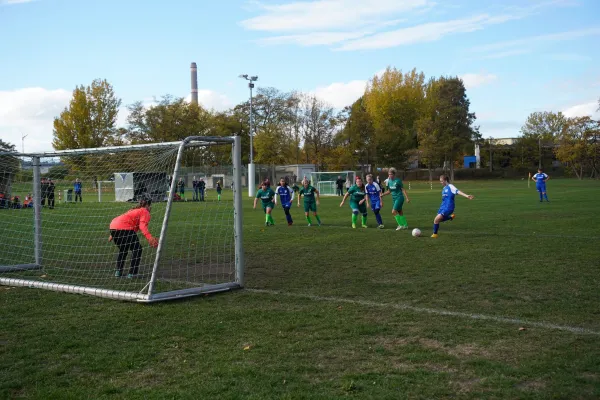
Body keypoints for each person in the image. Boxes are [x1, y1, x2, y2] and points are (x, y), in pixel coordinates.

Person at [108, 195, 159, 278]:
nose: (150, 207)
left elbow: (124, 219)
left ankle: (118, 272)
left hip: (113, 226)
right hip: (124, 228)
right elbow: (142, 226)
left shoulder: (133, 210)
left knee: (123, 250)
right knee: (137, 249)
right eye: (150, 205)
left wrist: (112, 234)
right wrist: (149, 237)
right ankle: (132, 273)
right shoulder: (144, 211)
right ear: (147, 205)